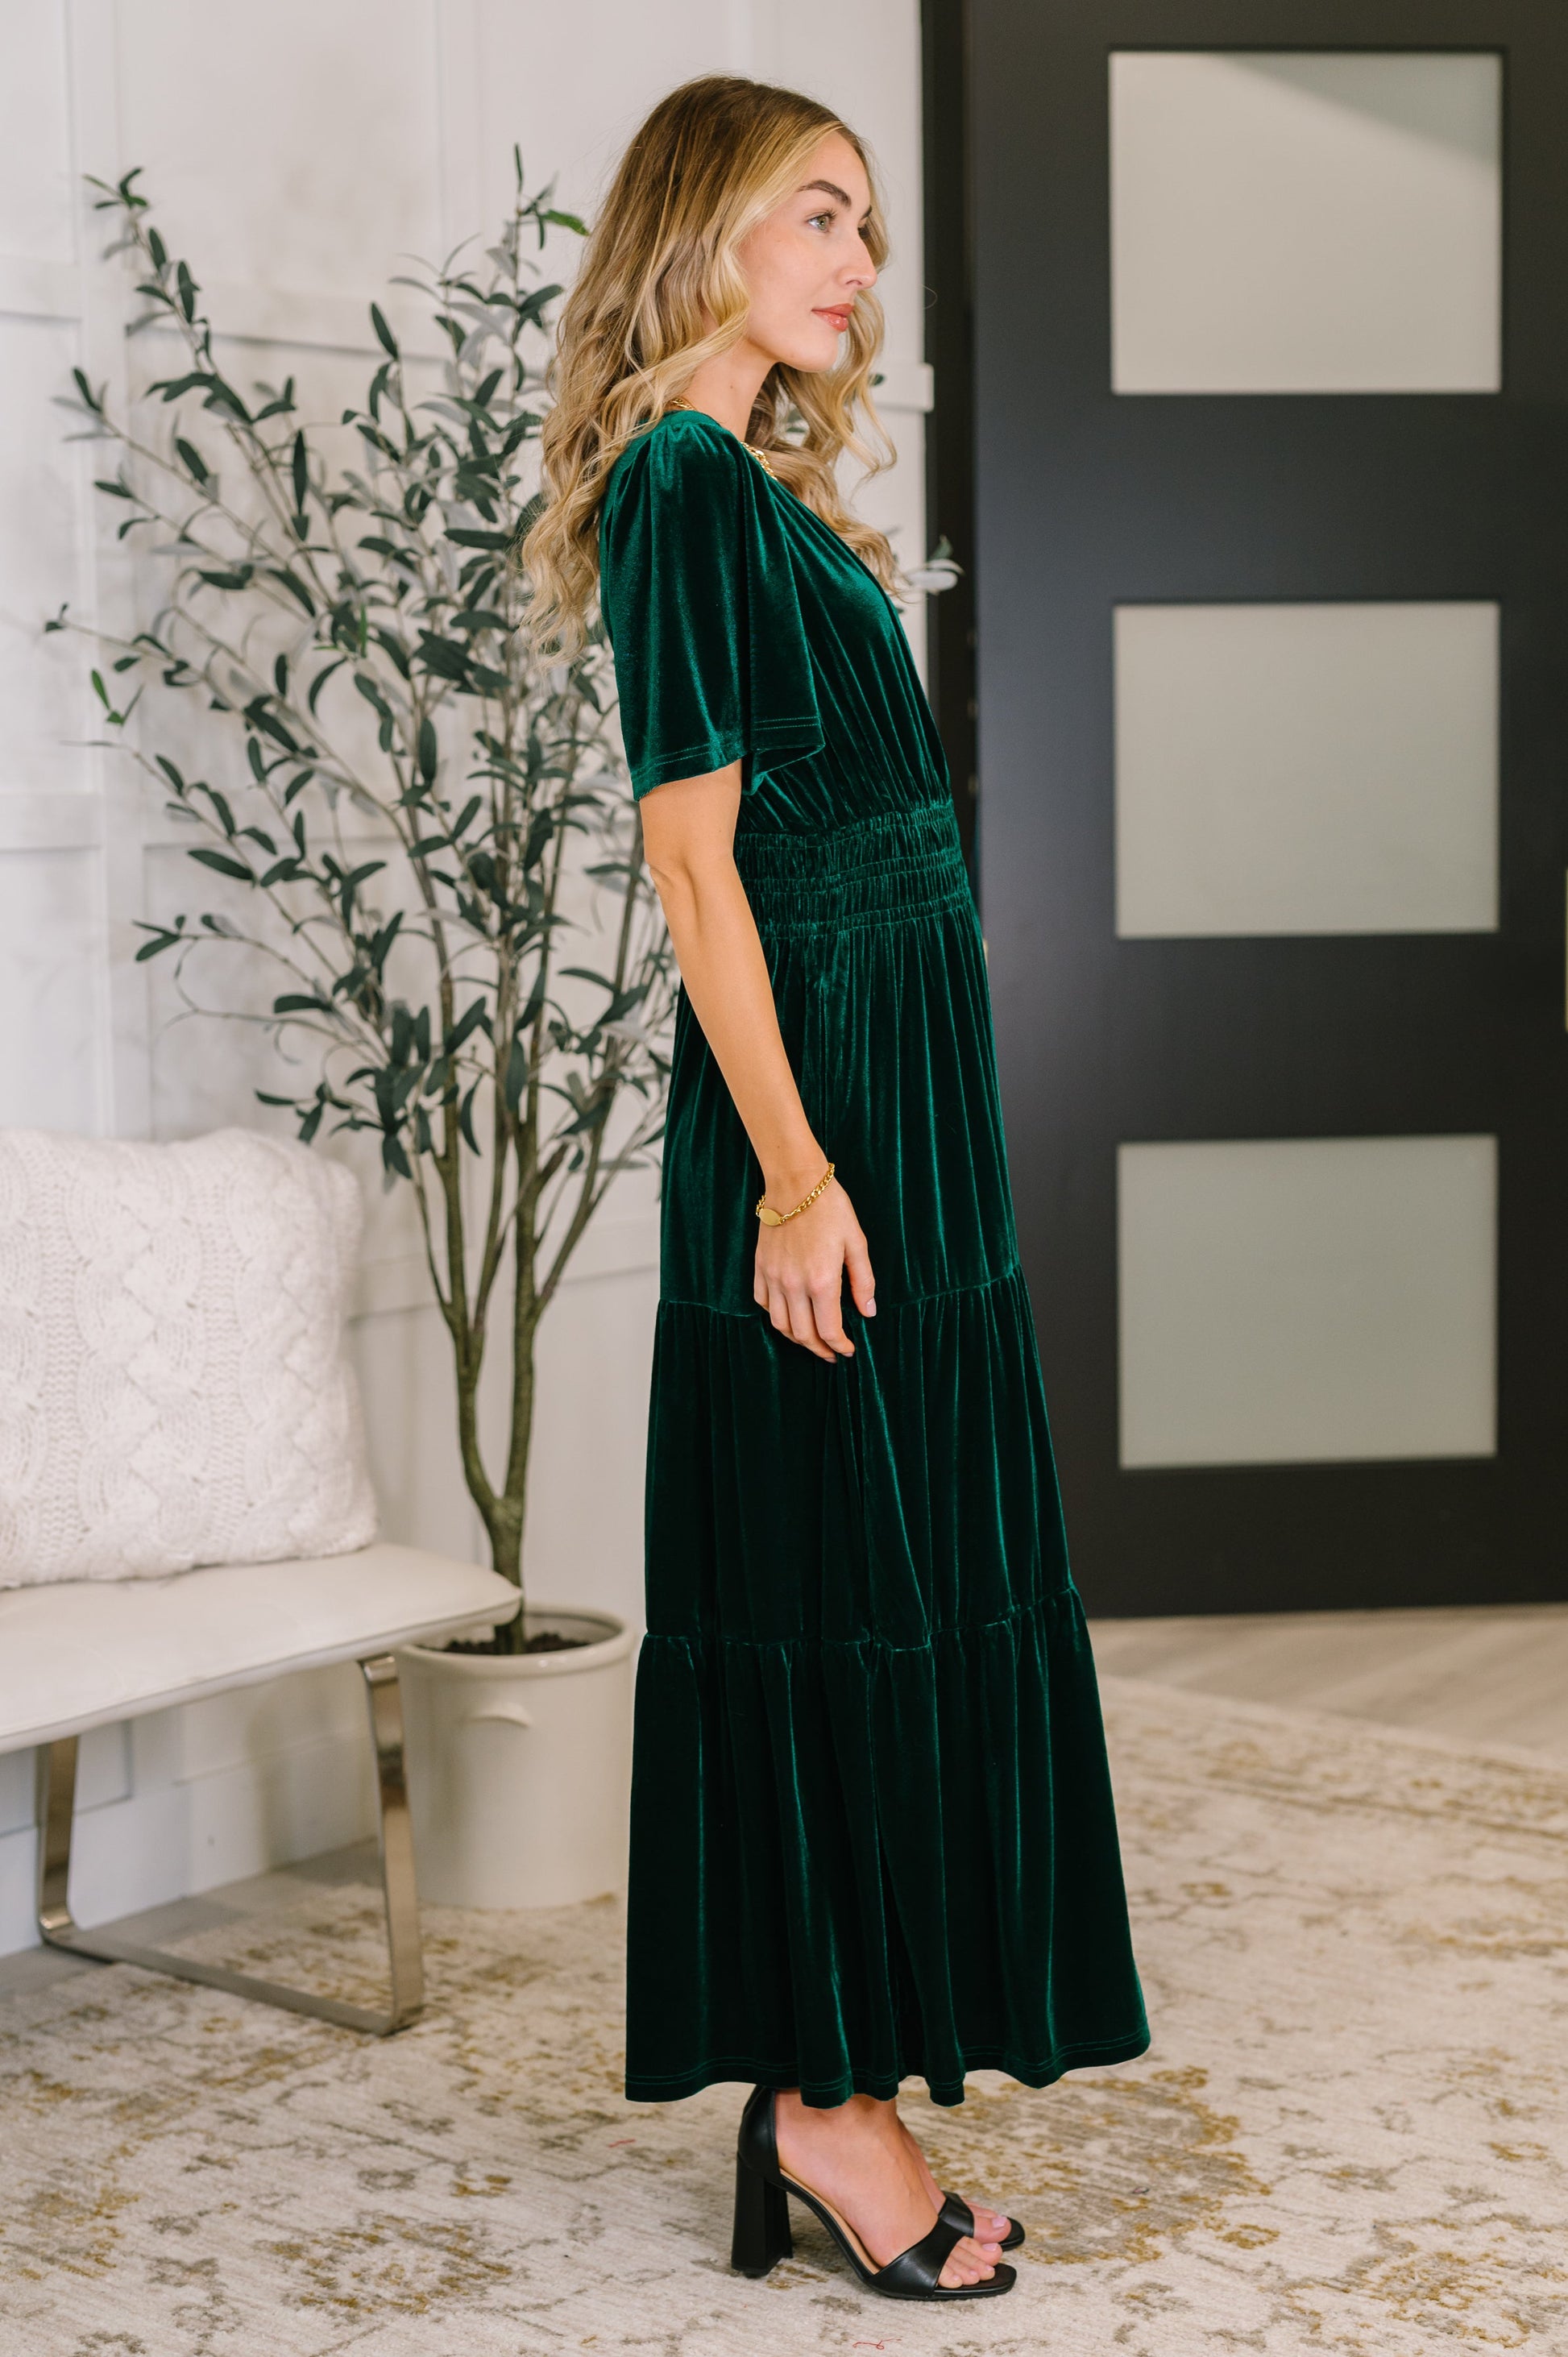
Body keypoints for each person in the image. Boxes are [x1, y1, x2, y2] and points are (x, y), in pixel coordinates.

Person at [523, 73, 1150, 2305]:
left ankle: (849, 2071)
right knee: (829, 1591)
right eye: (820, 214)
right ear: (701, 223)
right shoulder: (683, 485)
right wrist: (796, 1179)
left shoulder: (753, 483)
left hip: (892, 1102)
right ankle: (817, 2108)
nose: (859, 266)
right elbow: (694, 871)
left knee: (896, 1571)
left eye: (867, 228)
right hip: (819, 1126)